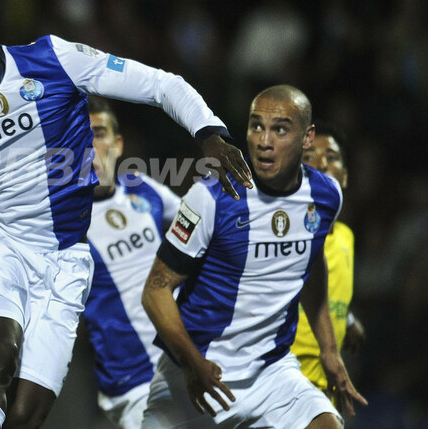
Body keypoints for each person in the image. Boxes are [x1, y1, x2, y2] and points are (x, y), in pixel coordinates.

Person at [0, 0, 252, 429]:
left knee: (25, 417)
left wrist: (210, 134)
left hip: (66, 260)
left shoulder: (54, 59)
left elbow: (161, 85)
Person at [0, 97, 181, 429]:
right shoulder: (51, 218)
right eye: (79, 136)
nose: (90, 146)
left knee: (22, 419)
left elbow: (200, 239)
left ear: (118, 143)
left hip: (189, 362)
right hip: (134, 383)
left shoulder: (146, 190)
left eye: (98, 133)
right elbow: (26, 283)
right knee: (16, 412)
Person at [140, 85, 367, 428]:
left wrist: (330, 351)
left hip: (271, 372)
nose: (264, 141)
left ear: (307, 138)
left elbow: (310, 263)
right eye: (256, 126)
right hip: (196, 372)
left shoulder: (325, 195)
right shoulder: (211, 197)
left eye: (280, 129)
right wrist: (191, 362)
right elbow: (155, 290)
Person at [291, 120, 366, 392]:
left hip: (328, 387)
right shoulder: (282, 235)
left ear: (344, 176)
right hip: (284, 384)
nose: (321, 165)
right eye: (309, 157)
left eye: (331, 157)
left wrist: (348, 320)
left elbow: (323, 290)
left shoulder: (346, 237)